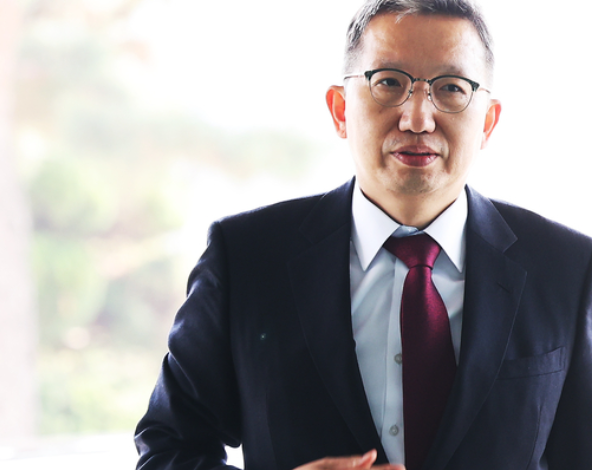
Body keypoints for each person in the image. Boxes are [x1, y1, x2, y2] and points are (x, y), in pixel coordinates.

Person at [135, 1, 592, 469]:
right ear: (340, 110)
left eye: (451, 88)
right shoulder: (246, 259)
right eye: (389, 83)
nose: (418, 119)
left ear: (488, 122)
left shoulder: (566, 270)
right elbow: (168, 448)